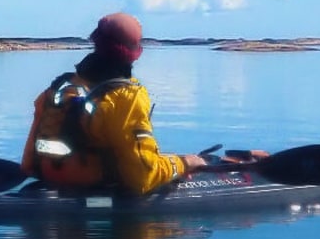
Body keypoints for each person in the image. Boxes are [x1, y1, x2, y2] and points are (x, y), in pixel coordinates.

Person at [19, 12, 212, 195]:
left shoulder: (60, 87)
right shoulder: (126, 97)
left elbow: (27, 165)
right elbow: (142, 178)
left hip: (47, 181)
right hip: (96, 191)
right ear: (137, 52)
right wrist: (185, 163)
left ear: (95, 42)